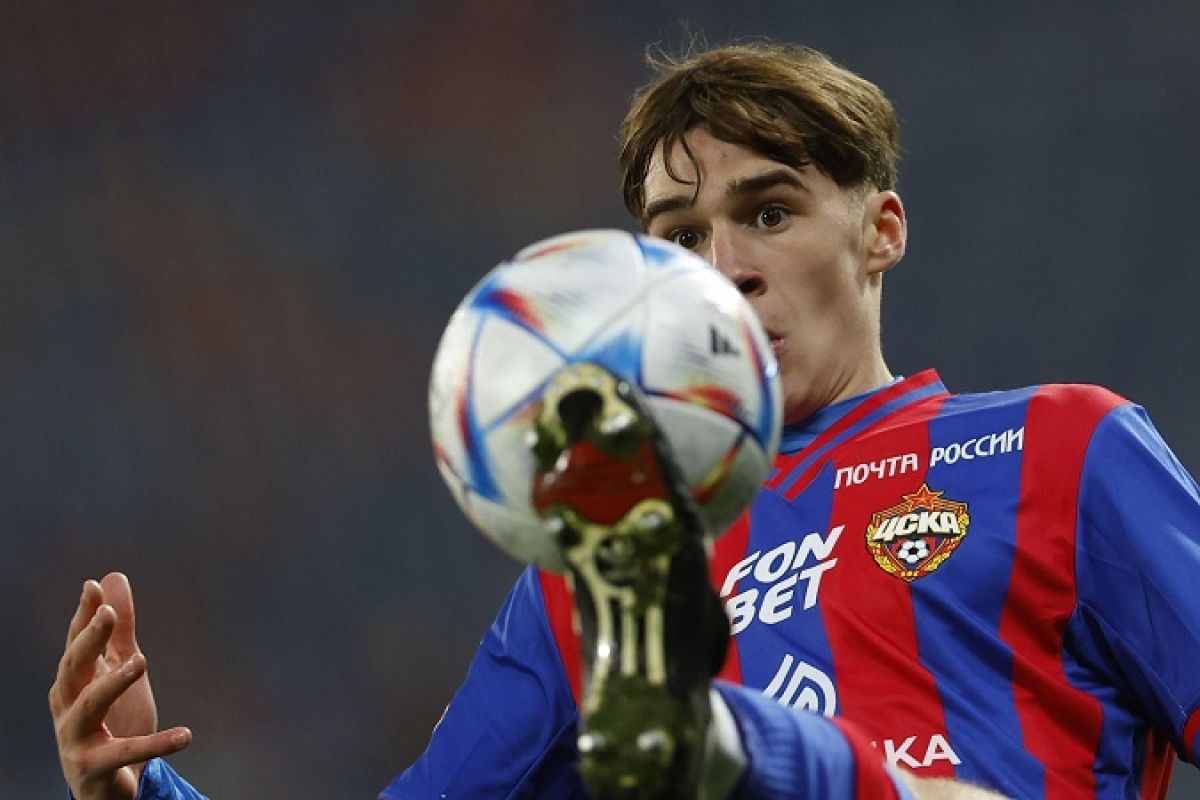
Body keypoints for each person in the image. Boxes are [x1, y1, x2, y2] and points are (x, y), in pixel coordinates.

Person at [49, 42, 1200, 799]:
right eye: (683, 238)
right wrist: (140, 787)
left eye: (770, 210)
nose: (727, 267)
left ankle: (718, 740)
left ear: (880, 230)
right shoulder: (584, 569)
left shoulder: (1064, 449)